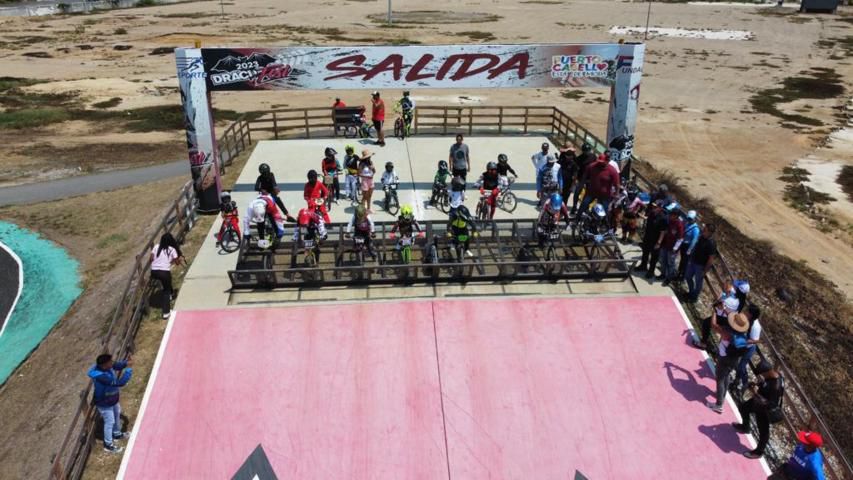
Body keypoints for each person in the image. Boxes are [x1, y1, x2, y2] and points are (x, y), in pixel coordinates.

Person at [732, 359, 782, 459]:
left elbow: (770, 403)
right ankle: (745, 427)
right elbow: (763, 385)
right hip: (758, 401)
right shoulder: (770, 376)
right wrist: (755, 385)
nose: (759, 376)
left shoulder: (776, 386)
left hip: (765, 409)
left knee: (763, 431)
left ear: (767, 372)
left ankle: (758, 452)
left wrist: (755, 393)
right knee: (743, 408)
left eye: (761, 374)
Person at [706, 312, 751, 414]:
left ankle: (718, 405)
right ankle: (722, 396)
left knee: (720, 379)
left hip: (724, 358)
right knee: (726, 376)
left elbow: (713, 325)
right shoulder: (742, 334)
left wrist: (714, 312)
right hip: (735, 359)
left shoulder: (727, 331)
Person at [88, 353, 133, 453]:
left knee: (117, 413)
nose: (112, 363)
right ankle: (108, 445)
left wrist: (126, 363)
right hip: (104, 402)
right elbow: (120, 383)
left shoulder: (106, 366)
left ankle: (116, 433)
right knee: (109, 422)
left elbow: (117, 365)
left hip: (112, 399)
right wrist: (129, 370)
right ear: (104, 365)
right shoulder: (102, 377)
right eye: (110, 362)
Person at [150, 233, 183, 319]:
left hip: (154, 271)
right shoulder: (172, 250)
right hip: (164, 272)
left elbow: (151, 258)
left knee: (166, 283)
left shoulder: (156, 246)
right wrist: (176, 260)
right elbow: (177, 263)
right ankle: (166, 313)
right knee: (166, 291)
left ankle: (169, 293)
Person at [684, 223, 718, 302]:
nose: (703, 231)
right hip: (693, 262)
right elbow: (696, 248)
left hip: (700, 266)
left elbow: (711, 259)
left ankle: (694, 297)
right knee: (687, 276)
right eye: (703, 229)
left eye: (705, 230)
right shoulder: (701, 237)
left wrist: (705, 271)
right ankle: (691, 292)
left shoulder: (712, 243)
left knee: (698, 283)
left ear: (710, 232)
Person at [735, 303, 763, 391]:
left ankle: (744, 384)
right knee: (736, 362)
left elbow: (754, 340)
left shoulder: (755, 326)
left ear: (751, 314)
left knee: (742, 366)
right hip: (743, 344)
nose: (745, 312)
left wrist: (740, 341)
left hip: (749, 347)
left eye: (747, 311)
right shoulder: (747, 319)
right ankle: (736, 380)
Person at [636, 201, 666, 277]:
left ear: (660, 208)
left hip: (655, 240)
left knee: (654, 257)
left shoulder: (663, 218)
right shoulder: (652, 214)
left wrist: (659, 242)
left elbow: (663, 232)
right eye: (653, 206)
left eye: (655, 207)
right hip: (647, 237)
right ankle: (643, 266)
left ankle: (651, 271)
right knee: (645, 252)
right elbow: (647, 221)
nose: (653, 208)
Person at [657, 204, 684, 286]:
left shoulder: (679, 225)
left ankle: (669, 278)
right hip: (665, 245)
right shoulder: (669, 221)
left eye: (672, 215)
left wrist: (675, 248)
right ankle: (663, 274)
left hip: (672, 248)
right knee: (663, 260)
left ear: (676, 216)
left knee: (670, 263)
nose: (670, 215)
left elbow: (680, 239)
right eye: (670, 214)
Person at [571, 143, 598, 214]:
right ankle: (574, 206)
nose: (587, 152)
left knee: (588, 194)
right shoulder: (579, 159)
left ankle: (585, 207)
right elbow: (576, 170)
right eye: (585, 151)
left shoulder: (593, 157)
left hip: (590, 178)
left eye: (588, 151)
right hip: (581, 178)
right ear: (583, 151)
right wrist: (576, 179)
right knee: (577, 192)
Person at [677, 210, 700, 281]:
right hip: (683, 245)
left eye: (691, 219)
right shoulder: (687, 224)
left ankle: (682, 276)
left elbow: (694, 240)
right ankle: (679, 273)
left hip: (688, 247)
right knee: (682, 260)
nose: (689, 220)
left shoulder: (696, 229)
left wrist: (689, 250)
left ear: (694, 219)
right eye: (688, 218)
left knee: (685, 262)